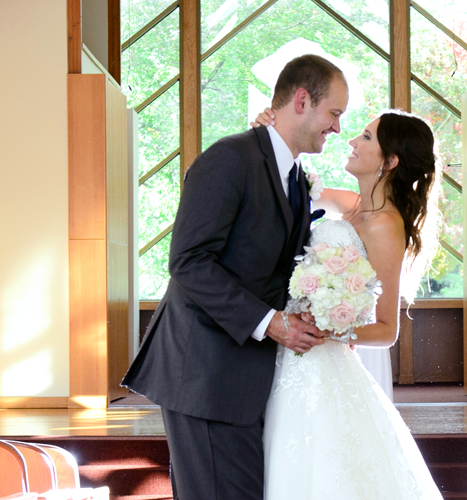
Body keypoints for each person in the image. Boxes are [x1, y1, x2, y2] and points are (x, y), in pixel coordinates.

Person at [121, 54, 348, 500]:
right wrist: (272, 323)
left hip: (245, 376)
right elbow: (189, 262)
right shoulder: (229, 158)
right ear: (302, 100)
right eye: (334, 113)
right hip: (206, 374)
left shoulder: (297, 179)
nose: (337, 128)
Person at [253, 107, 445, 499]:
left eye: (366, 137)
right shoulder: (353, 205)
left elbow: (387, 329)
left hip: (323, 357)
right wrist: (269, 137)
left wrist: (329, 327)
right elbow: (292, 185)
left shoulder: (386, 226)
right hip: (289, 349)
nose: (353, 142)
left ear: (390, 161)